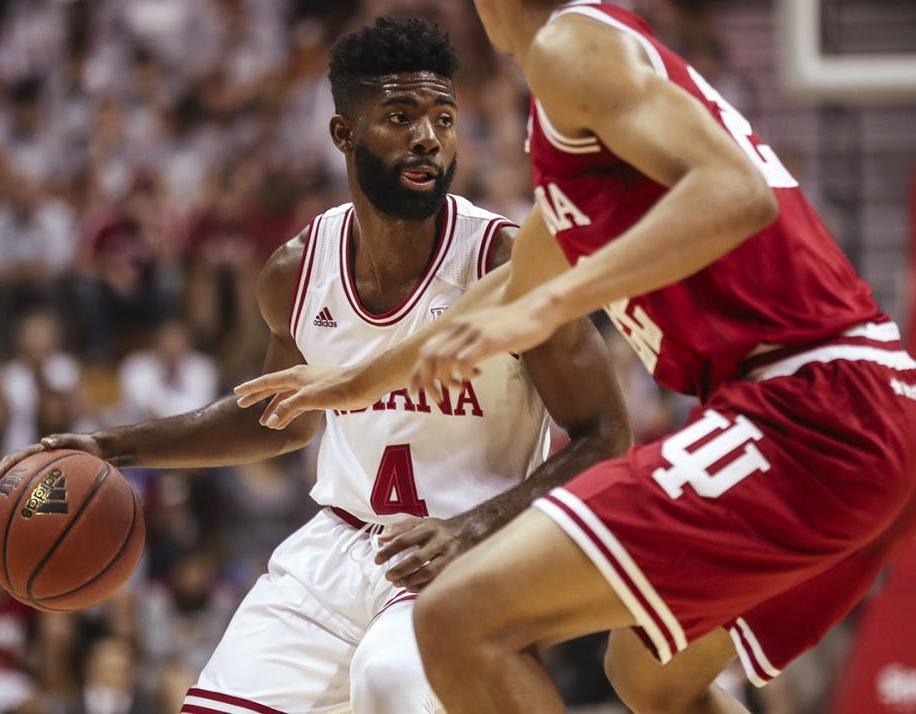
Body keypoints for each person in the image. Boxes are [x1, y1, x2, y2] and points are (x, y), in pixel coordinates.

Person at [235, 2, 916, 713]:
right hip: (875, 413)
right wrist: (350, 381)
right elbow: (512, 283)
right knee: (650, 678)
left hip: (810, 408)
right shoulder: (590, 100)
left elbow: (735, 194)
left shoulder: (570, 43)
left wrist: (551, 307)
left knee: (459, 620)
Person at [0, 17, 630, 714]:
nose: (428, 138)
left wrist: (472, 529)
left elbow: (605, 436)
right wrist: (114, 446)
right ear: (343, 134)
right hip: (337, 546)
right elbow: (280, 420)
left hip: (465, 555)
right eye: (399, 116)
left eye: (443, 117)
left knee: (391, 684)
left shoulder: (502, 263)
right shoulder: (298, 270)